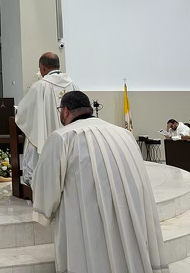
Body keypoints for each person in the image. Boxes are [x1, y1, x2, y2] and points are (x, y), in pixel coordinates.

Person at [32, 91, 168, 273]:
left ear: (65, 111)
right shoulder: (124, 134)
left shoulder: (62, 137)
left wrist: (44, 212)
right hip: (130, 216)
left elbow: (47, 185)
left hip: (89, 222)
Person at [15, 52, 78, 186]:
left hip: (46, 139)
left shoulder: (40, 86)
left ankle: (42, 185)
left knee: (35, 142)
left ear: (42, 67)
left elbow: (23, 112)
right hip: (71, 138)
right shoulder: (72, 84)